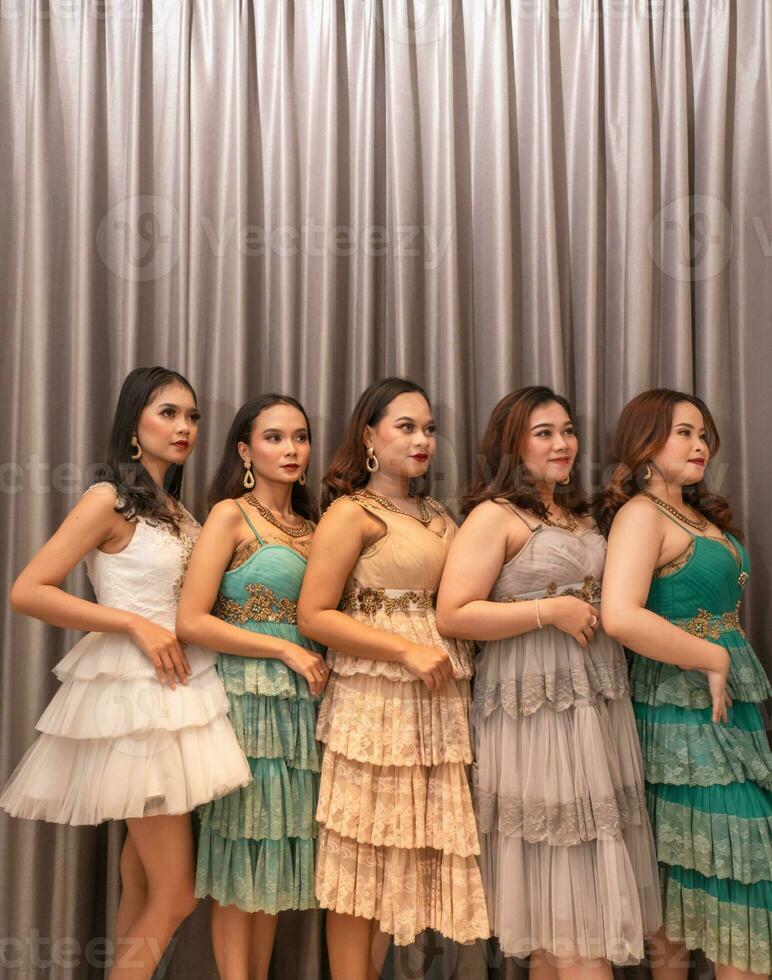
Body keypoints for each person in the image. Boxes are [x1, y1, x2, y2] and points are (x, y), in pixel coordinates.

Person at [0, 366, 251, 979]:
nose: (184, 426)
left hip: (181, 689)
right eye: (168, 413)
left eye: (191, 416)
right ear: (133, 425)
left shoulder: (178, 509)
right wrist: (131, 624)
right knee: (177, 892)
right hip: (135, 695)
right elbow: (28, 590)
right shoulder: (107, 497)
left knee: (138, 875)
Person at [437, 385, 661, 978]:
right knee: (561, 895)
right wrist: (548, 611)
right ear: (513, 444)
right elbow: (454, 613)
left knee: (565, 909)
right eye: (544, 433)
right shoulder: (494, 516)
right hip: (533, 711)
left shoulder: (581, 515)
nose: (563, 443)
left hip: (595, 703)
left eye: (567, 430)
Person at [297, 377, 489, 980]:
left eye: (429, 428)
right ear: (370, 437)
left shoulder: (436, 512)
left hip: (438, 701)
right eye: (406, 426)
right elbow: (315, 615)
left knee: (400, 862)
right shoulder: (351, 512)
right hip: (375, 702)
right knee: (362, 865)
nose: (423, 438)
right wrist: (404, 651)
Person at [599, 388, 771, 980]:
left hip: (724, 710)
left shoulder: (696, 514)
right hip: (680, 710)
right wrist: (711, 658)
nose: (699, 445)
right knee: (709, 863)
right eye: (683, 433)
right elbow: (619, 614)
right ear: (644, 442)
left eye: (703, 435)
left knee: (704, 867)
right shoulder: (642, 513)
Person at [176, 395, 327, 980]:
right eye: (274, 438)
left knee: (272, 867)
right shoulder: (229, 516)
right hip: (245, 703)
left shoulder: (315, 527)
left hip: (300, 711)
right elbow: (192, 619)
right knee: (242, 860)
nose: (290, 449)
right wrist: (283, 646)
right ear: (245, 449)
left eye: (300, 437)